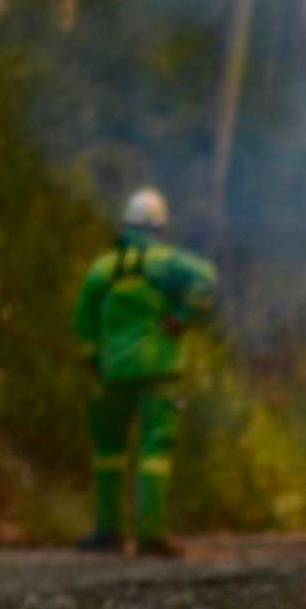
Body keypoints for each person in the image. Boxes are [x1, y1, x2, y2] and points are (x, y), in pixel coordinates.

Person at [71, 187, 219, 555]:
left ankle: (108, 532)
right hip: (159, 370)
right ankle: (150, 534)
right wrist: (182, 318)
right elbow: (207, 279)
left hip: (114, 372)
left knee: (109, 449)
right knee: (154, 450)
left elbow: (83, 317)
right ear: (159, 226)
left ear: (125, 224)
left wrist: (93, 356)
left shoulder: (105, 267)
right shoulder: (168, 263)